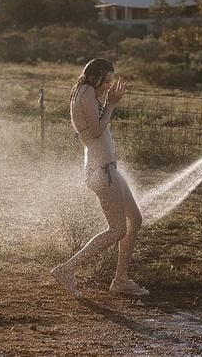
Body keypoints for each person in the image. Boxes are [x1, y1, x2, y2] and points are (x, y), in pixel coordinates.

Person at [51, 58, 149, 297]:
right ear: (93, 76)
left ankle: (121, 279)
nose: (107, 85)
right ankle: (66, 268)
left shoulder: (87, 93)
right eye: (105, 81)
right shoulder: (84, 91)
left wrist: (107, 101)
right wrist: (112, 104)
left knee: (134, 219)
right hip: (101, 170)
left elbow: (97, 124)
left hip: (108, 168)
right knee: (117, 229)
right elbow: (96, 131)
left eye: (109, 82)